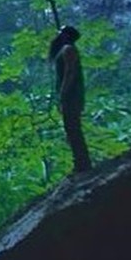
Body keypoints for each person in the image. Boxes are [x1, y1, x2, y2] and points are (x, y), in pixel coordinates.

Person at [49, 25, 92, 173]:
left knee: (73, 129)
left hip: (71, 96)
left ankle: (82, 164)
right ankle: (80, 162)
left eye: (60, 33)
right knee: (71, 129)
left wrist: (62, 94)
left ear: (66, 35)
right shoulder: (66, 49)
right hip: (70, 95)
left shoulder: (68, 49)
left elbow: (70, 72)